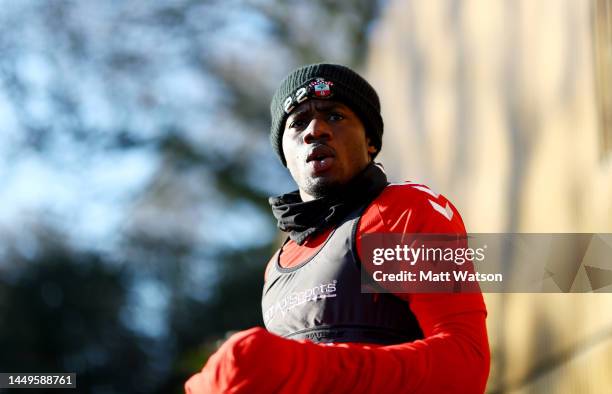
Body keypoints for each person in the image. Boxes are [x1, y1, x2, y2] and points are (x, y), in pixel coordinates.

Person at [185, 63, 490, 393]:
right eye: (298, 122)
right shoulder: (277, 265)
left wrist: (302, 367)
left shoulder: (401, 209)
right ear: (285, 155)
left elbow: (465, 365)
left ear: (370, 141)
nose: (314, 130)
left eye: (335, 116)